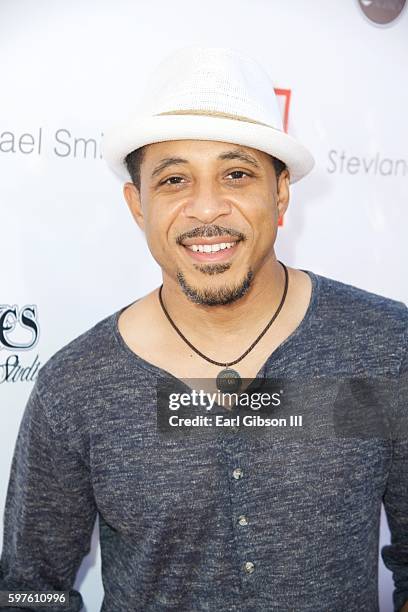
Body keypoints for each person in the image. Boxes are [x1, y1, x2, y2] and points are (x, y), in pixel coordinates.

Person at [0, 46, 407, 612]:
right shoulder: (76, 387)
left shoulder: (385, 346)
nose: (207, 209)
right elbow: (28, 590)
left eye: (236, 174)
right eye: (173, 180)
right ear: (136, 204)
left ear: (280, 193)